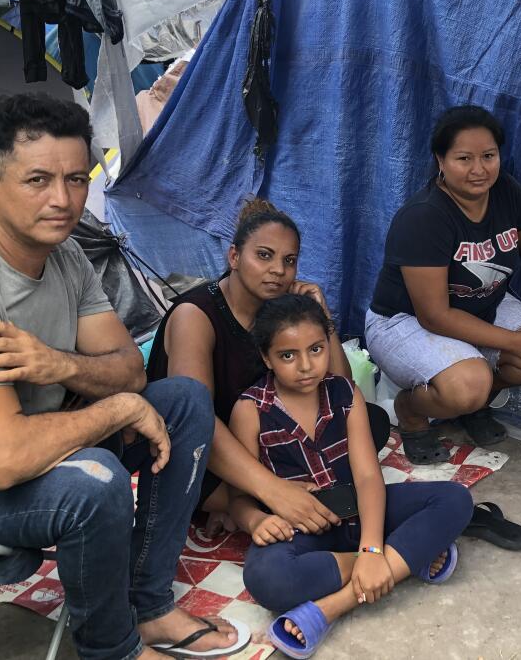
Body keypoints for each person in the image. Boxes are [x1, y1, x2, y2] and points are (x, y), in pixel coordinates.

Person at [0, 94, 249, 660]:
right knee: (93, 479)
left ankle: (149, 606)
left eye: (77, 179)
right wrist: (118, 408)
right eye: (37, 179)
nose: (62, 200)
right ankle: (113, 650)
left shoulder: (66, 258)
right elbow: (2, 460)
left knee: (181, 400)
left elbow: (128, 368)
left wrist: (60, 364)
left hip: (28, 447)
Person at [233, 295, 473, 658]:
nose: (305, 366)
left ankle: (333, 606)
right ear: (266, 358)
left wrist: (372, 548)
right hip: (302, 526)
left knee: (454, 499)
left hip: (360, 510)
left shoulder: (345, 394)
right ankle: (407, 557)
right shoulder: (250, 409)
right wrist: (254, 520)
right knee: (268, 579)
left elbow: (367, 477)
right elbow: (239, 494)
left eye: (316, 349)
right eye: (287, 355)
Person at [148, 197, 391, 534]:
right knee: (335, 473)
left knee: (371, 420)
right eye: (264, 255)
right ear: (234, 256)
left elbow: (338, 390)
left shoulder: (276, 310)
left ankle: (262, 502)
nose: (278, 270)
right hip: (203, 455)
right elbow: (194, 420)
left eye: (288, 261)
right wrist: (273, 490)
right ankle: (250, 502)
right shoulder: (196, 315)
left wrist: (322, 317)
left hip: (267, 444)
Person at [366, 106, 521, 464]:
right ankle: (412, 412)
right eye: (464, 158)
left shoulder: (505, 190)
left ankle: (476, 401)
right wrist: (519, 341)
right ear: (440, 160)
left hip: (483, 304)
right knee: (469, 383)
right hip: (404, 320)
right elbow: (435, 316)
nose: (479, 169)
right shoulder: (425, 217)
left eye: (489, 156)